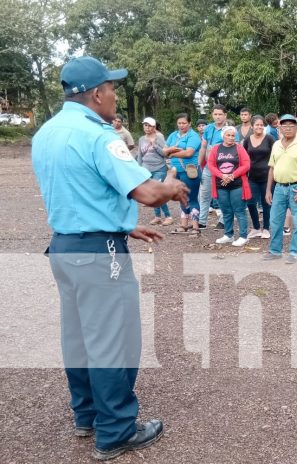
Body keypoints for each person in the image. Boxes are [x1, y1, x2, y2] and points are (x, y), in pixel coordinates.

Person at [32, 55, 189, 461]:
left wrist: (120, 225)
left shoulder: (46, 133)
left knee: (79, 337)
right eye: (113, 88)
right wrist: (170, 187)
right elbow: (147, 193)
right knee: (113, 340)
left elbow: (78, 193)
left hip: (65, 249)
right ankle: (116, 430)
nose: (115, 96)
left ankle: (86, 416)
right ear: (97, 93)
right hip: (100, 255)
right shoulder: (99, 135)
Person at [264, 114, 297, 263]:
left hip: (296, 188)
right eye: (284, 125)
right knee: (275, 221)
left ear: (296, 128)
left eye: (291, 125)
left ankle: (295, 252)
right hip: (279, 188)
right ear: (279, 127)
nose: (288, 128)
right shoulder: (276, 145)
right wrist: (269, 190)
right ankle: (275, 251)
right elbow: (271, 169)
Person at [208, 126, 252, 246]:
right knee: (226, 211)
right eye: (228, 135)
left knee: (239, 210)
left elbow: (246, 164)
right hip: (220, 184)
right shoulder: (216, 148)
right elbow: (211, 165)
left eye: (233, 135)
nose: (231, 138)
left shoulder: (239, 148)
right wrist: (222, 175)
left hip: (237, 185)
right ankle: (228, 235)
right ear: (223, 136)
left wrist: (232, 175)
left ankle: (243, 236)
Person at [164, 113, 202, 235]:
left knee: (192, 198)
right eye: (179, 123)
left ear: (190, 123)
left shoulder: (193, 136)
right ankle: (183, 225)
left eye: (184, 123)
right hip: (176, 171)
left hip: (189, 171)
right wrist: (171, 151)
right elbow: (164, 150)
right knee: (181, 197)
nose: (181, 125)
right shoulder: (173, 135)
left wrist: (172, 153)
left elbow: (188, 153)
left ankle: (195, 227)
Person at [136, 117, 173, 226]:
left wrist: (154, 145)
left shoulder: (159, 137)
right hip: (146, 168)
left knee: (158, 192)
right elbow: (140, 155)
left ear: (154, 127)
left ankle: (168, 216)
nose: (147, 128)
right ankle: (157, 216)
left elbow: (165, 153)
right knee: (152, 193)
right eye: (145, 125)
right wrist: (139, 169)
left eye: (149, 126)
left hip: (159, 168)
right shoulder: (141, 139)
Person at [242, 115, 274, 239]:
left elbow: (275, 156)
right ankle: (256, 228)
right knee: (250, 203)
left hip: (267, 176)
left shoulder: (269, 139)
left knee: (267, 203)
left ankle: (266, 228)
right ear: (252, 126)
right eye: (257, 125)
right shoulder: (247, 140)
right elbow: (243, 157)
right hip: (251, 177)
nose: (259, 127)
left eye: (261, 125)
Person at [198, 104, 227, 230]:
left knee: (223, 195)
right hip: (208, 167)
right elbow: (203, 147)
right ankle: (201, 221)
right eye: (215, 114)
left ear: (225, 115)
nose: (218, 116)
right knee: (204, 194)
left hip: (224, 168)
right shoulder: (208, 128)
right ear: (212, 115)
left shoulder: (229, 130)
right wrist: (199, 165)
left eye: (220, 114)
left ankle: (224, 221)